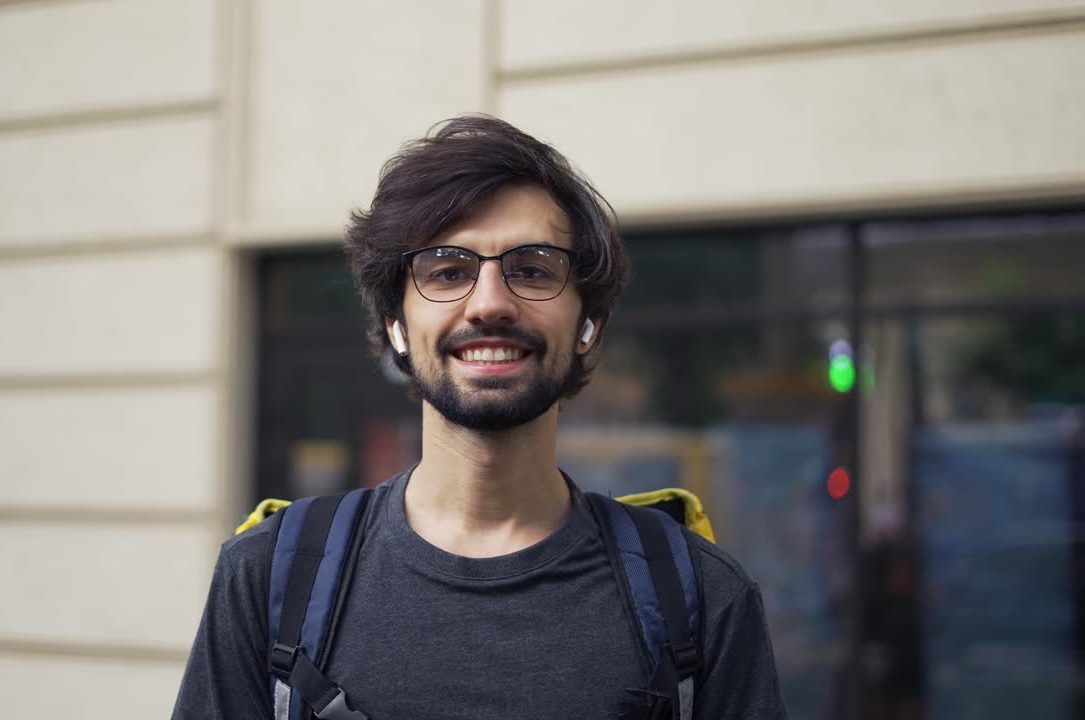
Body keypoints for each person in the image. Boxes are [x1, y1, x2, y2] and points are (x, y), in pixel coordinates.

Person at [174, 115, 787, 719]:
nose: (490, 303)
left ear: (587, 323)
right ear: (396, 324)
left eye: (532, 269)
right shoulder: (267, 580)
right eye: (447, 271)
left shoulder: (701, 597)